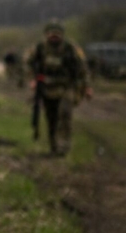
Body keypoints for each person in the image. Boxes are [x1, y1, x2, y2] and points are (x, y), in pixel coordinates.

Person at [27, 20, 92, 157]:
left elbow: (83, 68)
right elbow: (27, 63)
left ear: (62, 35)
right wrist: (32, 79)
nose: (54, 37)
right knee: (51, 118)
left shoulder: (70, 48)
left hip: (66, 87)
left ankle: (63, 147)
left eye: (57, 34)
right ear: (46, 34)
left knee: (65, 114)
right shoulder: (39, 48)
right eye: (51, 34)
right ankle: (54, 147)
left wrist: (87, 87)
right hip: (46, 88)